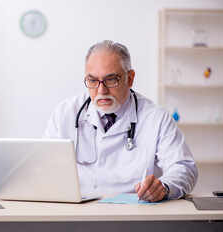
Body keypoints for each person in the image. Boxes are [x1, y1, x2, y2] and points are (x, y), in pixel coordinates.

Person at [44, 40, 198, 202]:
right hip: (77, 213)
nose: (101, 90)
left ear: (130, 78)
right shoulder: (65, 113)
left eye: (111, 80)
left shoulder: (157, 118)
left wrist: (164, 187)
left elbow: (184, 167)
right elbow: (44, 166)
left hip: (135, 214)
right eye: (93, 81)